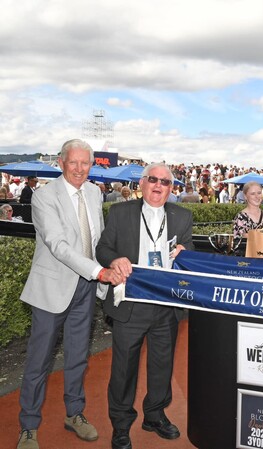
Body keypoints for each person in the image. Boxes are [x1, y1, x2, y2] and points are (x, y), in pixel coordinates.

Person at [16, 139, 122, 449]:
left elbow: (98, 238)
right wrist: (98, 272)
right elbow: (58, 245)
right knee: (39, 361)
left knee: (77, 356)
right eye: (73, 162)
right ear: (62, 162)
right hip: (52, 289)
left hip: (85, 288)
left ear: (92, 165)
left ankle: (74, 414)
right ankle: (28, 426)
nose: (79, 169)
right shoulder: (44, 196)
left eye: (84, 163)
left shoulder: (93, 192)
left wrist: (109, 265)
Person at [96, 163, 193, 449]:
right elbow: (102, 249)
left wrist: (186, 254)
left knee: (162, 365)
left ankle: (155, 415)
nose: (158, 185)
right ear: (142, 183)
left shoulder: (182, 216)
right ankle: (121, 425)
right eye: (153, 179)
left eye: (165, 181)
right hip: (131, 303)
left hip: (165, 304)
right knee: (124, 369)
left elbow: (190, 251)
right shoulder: (120, 212)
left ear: (171, 188)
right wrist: (114, 260)